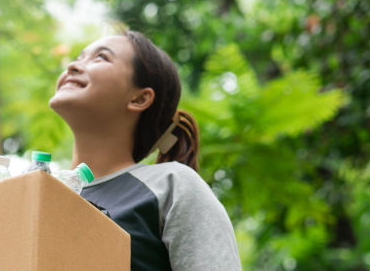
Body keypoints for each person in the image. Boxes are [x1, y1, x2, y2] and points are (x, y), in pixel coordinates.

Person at [49, 31, 241, 270]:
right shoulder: (43, 199)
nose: (72, 65)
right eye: (79, 57)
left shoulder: (171, 184)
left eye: (100, 58)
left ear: (139, 98)